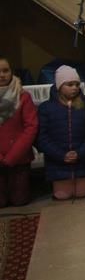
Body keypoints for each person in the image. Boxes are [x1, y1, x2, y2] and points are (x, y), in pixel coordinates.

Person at [35, 65, 85, 200]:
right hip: (57, 163)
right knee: (62, 196)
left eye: (77, 84)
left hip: (83, 161)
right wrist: (61, 155)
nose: (75, 88)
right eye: (70, 84)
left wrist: (80, 152)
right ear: (59, 86)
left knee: (82, 194)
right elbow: (41, 137)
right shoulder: (46, 108)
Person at [0, 56, 38, 207]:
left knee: (19, 201)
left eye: (5, 71)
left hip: (19, 157)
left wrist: (13, 156)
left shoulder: (23, 96)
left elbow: (31, 127)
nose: (2, 75)